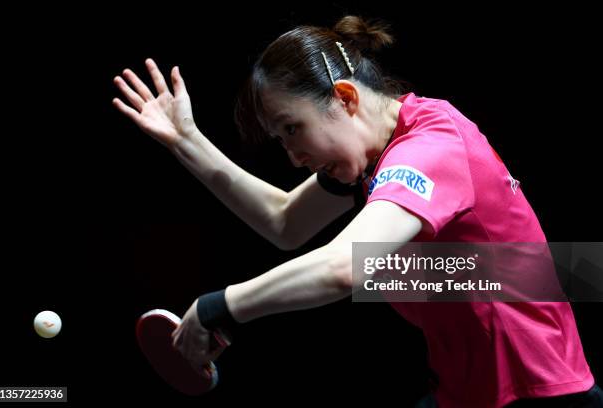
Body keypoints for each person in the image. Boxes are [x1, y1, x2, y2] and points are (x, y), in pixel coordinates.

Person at [112, 15, 601, 407]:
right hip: (465, 392)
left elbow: (347, 266)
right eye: (281, 140)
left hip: (538, 393)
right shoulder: (375, 159)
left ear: (344, 98)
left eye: (292, 129)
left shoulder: (431, 146)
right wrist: (186, 141)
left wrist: (219, 307)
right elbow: (284, 221)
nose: (293, 157)